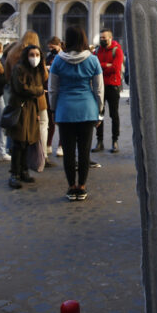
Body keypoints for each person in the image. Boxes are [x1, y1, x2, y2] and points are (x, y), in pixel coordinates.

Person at [49, 26, 103, 201]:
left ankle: (71, 186)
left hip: (65, 109)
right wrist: (99, 110)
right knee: (85, 151)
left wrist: (53, 109)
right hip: (87, 109)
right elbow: (99, 89)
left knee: (69, 151)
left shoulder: (58, 60)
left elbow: (53, 89)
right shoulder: (93, 60)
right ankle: (82, 186)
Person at [6, 44, 45, 188]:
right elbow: (21, 88)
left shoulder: (36, 71)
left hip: (32, 110)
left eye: (37, 55)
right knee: (18, 142)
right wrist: (39, 90)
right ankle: (14, 173)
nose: (34, 58)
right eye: (31, 55)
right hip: (20, 109)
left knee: (28, 142)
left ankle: (24, 170)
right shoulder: (19, 69)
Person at [93, 28, 124, 153]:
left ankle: (114, 141)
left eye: (104, 38)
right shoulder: (97, 51)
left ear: (110, 38)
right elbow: (95, 66)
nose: (102, 40)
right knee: (99, 114)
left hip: (113, 85)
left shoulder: (117, 50)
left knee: (114, 114)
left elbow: (116, 67)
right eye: (101, 38)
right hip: (100, 86)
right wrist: (107, 65)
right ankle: (99, 142)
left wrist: (102, 66)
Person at [44, 36, 62, 162]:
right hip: (48, 89)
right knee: (50, 120)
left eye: (53, 47)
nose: (51, 49)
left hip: (60, 89)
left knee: (61, 120)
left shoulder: (64, 56)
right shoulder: (49, 56)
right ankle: (48, 144)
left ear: (59, 45)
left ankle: (61, 146)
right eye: (49, 47)